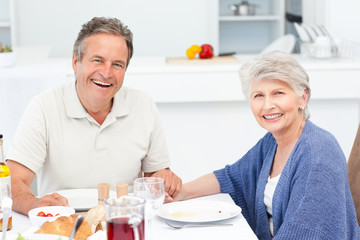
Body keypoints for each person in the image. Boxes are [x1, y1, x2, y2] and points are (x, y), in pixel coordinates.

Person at [172, 51, 359, 239]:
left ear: (302, 98)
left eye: (278, 93)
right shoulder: (272, 143)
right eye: (259, 95)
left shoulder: (318, 152)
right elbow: (233, 177)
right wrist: (179, 193)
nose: (267, 105)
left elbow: (302, 233)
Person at [6, 17, 182, 215]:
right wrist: (32, 204)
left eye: (117, 64)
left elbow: (155, 178)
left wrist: (164, 179)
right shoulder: (44, 107)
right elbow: (11, 180)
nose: (106, 73)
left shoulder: (143, 105)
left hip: (123, 220)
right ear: (75, 61)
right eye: (97, 60)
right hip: (63, 221)